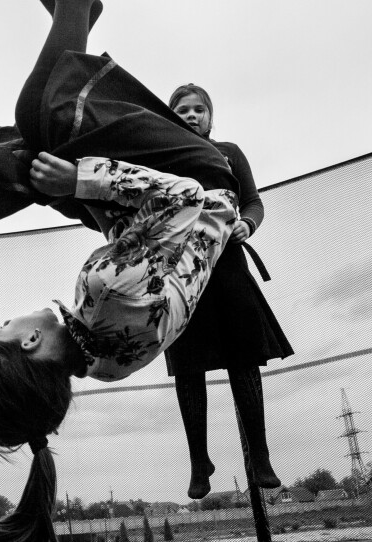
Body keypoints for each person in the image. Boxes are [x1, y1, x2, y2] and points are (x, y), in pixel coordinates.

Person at [0, 0, 257, 540]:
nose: (7, 319)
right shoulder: (102, 293)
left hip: (158, 219)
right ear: (31, 341)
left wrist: (62, 194)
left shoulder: (103, 362)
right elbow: (186, 197)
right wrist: (81, 182)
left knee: (31, 157)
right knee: (48, 117)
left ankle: (77, 12)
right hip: (205, 178)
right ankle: (78, 7)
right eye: (1, 329)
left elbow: (143, 249)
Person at [165, 83, 293, 499]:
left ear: (210, 116)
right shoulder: (162, 157)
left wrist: (247, 224)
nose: (191, 114)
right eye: (182, 109)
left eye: (199, 109)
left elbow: (253, 201)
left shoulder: (228, 152)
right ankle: (198, 461)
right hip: (182, 274)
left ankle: (260, 456)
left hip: (229, 268)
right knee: (188, 367)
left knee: (244, 359)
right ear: (170, 116)